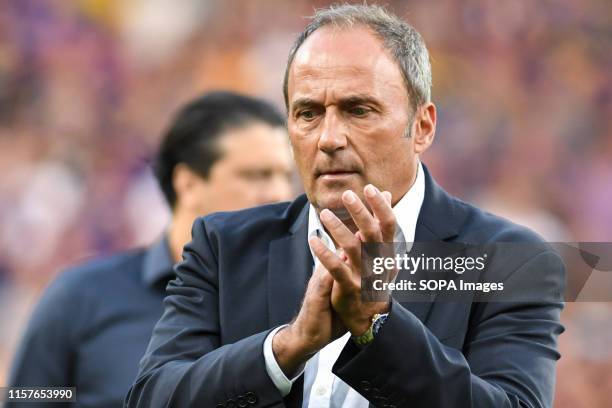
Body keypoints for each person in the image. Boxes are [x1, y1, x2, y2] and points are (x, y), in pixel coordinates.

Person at [127, 5, 565, 408]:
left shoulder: (509, 262)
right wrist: (287, 347)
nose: (329, 138)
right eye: (308, 113)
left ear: (423, 126)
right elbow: (152, 397)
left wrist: (378, 326)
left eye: (358, 110)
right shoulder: (223, 245)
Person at [7, 91, 294, 407]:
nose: (279, 193)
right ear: (188, 183)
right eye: (257, 175)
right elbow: (28, 395)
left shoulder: (299, 302)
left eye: (285, 177)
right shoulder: (81, 295)